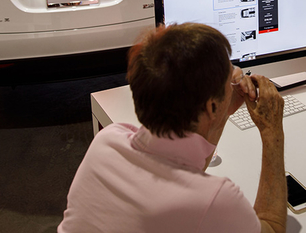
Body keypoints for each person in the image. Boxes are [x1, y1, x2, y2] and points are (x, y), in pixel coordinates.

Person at [59, 23, 287, 233]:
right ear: (211, 105)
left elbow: (187, 165)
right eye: (230, 75)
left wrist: (223, 111)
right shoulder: (216, 200)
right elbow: (272, 227)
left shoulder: (106, 141)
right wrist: (271, 131)